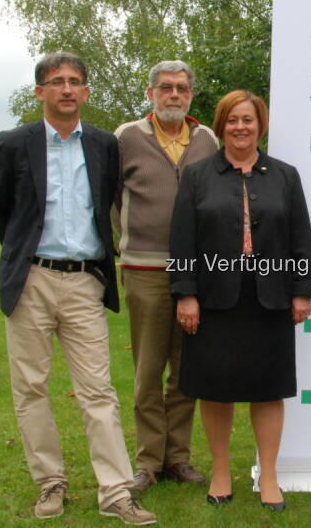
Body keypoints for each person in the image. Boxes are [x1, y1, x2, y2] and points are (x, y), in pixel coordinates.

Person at [0, 51, 156, 525]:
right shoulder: (13, 144)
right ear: (39, 91)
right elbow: (3, 213)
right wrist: (28, 257)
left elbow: (108, 205)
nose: (66, 89)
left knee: (99, 392)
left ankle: (116, 493)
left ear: (85, 91)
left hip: (85, 282)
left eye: (75, 81)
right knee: (31, 388)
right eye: (56, 81)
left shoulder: (104, 145)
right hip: (32, 281)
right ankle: (50, 483)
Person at [168, 90, 311, 513]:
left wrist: (302, 290)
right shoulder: (197, 176)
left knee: (268, 391)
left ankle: (269, 475)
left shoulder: (285, 176)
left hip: (269, 299)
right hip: (213, 301)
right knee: (216, 390)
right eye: (232, 119)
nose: (240, 127)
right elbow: (182, 241)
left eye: (248, 119)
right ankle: (220, 472)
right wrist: (186, 293)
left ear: (260, 124)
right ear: (221, 125)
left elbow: (301, 239)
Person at [114, 60, 217, 494]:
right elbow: (108, 200)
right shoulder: (126, 137)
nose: (174, 95)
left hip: (198, 275)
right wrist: (122, 244)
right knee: (148, 369)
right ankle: (147, 461)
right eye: (165, 88)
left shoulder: (207, 139)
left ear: (192, 94)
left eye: (182, 88)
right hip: (145, 270)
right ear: (150, 93)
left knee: (186, 371)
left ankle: (179, 458)